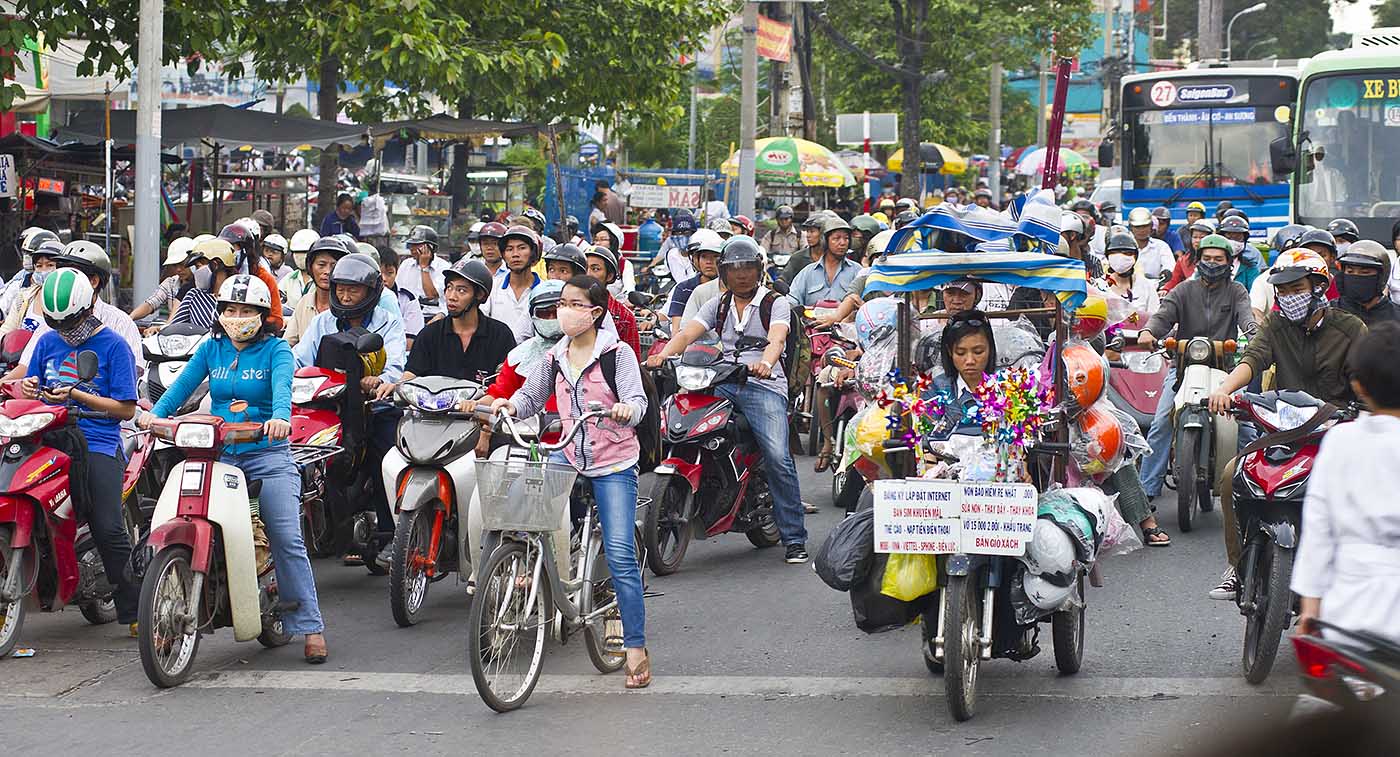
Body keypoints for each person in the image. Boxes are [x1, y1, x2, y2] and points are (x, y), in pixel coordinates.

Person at [141, 275, 329, 663]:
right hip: (220, 454)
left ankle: (310, 625)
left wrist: (279, 419)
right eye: (230, 310)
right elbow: (179, 390)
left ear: (263, 316)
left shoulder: (277, 350)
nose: (236, 317)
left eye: (246, 311)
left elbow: (282, 392)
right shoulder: (212, 348)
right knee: (185, 517)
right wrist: (154, 416)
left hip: (268, 454)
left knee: (284, 535)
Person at [490, 274, 651, 686]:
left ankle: (635, 647)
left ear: (596, 312)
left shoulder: (618, 355)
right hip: (568, 450)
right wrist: (507, 404)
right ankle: (527, 573)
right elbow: (531, 396)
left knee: (618, 555)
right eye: (562, 303)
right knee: (526, 518)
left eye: (574, 304)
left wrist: (624, 411)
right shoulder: (555, 356)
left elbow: (638, 402)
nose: (564, 311)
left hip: (614, 461)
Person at [1205, 249, 1367, 600]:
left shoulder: (1350, 328)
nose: (1289, 297)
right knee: (1233, 475)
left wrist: (1363, 406)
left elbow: (1365, 375)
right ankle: (1238, 565)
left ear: (1319, 287)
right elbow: (1253, 359)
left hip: (1336, 434)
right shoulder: (1276, 326)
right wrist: (1223, 390)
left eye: (1297, 288)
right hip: (1283, 432)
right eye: (1283, 290)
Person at [647, 236, 808, 565]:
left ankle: (794, 538)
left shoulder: (773, 302)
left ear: (759, 270)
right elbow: (688, 333)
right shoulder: (717, 304)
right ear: (724, 272)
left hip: (764, 384)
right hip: (720, 379)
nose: (742, 275)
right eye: (734, 269)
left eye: (748, 268)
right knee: (681, 421)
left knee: (777, 456)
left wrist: (765, 362)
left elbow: (777, 338)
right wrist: (662, 355)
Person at [22, 269, 139, 633]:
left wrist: (76, 395)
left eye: (69, 321)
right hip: (49, 436)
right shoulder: (46, 342)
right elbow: (37, 385)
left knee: (108, 527)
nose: (64, 329)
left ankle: (135, 609)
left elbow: (126, 409)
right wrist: (30, 387)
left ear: (88, 307)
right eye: (55, 323)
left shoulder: (114, 345)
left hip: (98, 441)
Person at [293, 253, 408, 566]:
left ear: (370, 292)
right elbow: (299, 358)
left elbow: (396, 364)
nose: (344, 295)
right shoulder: (322, 322)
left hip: (375, 408)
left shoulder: (388, 321)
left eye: (353, 290)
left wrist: (381, 381)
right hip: (326, 407)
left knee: (384, 459)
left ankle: (389, 535)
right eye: (340, 288)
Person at [1292, 321, 1400, 644]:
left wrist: (1310, 607)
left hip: (1347, 619)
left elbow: (1318, 528)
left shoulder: (1340, 441)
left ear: (1358, 386)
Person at [1135, 234, 1256, 517]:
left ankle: (1249, 487)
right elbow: (1162, 316)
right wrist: (1148, 332)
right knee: (1162, 421)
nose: (1212, 264)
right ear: (1198, 260)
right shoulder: (1182, 290)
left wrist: (1254, 335)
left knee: (1246, 427)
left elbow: (1246, 317)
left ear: (1229, 263)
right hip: (1182, 367)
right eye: (1207, 258)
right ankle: (1146, 490)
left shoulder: (1237, 290)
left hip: (1225, 370)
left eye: (1219, 259)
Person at [378, 258, 513, 402]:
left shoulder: (500, 335)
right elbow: (412, 373)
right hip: (432, 417)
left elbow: (508, 384)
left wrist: (482, 403)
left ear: (480, 295)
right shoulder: (430, 334)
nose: (451, 297)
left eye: (461, 290)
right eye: (449, 287)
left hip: (482, 418)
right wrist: (397, 386)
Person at [7, 241, 141, 383]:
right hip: (50, 404)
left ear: (93, 281)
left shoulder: (120, 324)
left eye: (72, 275)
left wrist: (79, 395)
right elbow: (26, 369)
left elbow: (132, 378)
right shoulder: (50, 324)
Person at [469, 280, 566, 456]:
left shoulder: (587, 352)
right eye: (544, 313)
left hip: (573, 444)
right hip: (523, 442)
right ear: (532, 316)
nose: (551, 318)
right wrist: (473, 406)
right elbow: (499, 395)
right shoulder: (519, 356)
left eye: (556, 311)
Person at [284, 236, 352, 346]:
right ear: (310, 267)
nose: (327, 271)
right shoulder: (304, 302)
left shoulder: (348, 304)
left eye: (334, 266)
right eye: (321, 265)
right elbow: (287, 343)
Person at [218, 220, 285, 331]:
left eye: (232, 247)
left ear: (245, 250)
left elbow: (277, 320)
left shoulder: (264, 278)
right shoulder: (219, 276)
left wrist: (249, 325)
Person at [482, 225, 542, 343]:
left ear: (533, 253)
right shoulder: (492, 286)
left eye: (522, 248)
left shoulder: (543, 291)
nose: (515, 254)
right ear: (504, 255)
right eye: (509, 249)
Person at [583, 243, 641, 356]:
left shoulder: (624, 317)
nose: (588, 274)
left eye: (595, 269)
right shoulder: (566, 306)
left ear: (609, 276)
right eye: (584, 268)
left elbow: (631, 364)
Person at [790, 216, 861, 306]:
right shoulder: (808, 273)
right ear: (824, 241)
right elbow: (792, 299)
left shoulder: (857, 271)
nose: (842, 243)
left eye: (846, 238)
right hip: (812, 320)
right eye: (836, 238)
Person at [665, 228, 724, 333]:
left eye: (715, 257)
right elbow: (677, 330)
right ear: (695, 260)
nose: (709, 262)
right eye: (704, 257)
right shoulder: (683, 288)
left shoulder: (731, 289)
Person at [169, 238, 235, 330]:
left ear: (215, 265)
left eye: (198, 267)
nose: (197, 272)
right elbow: (174, 328)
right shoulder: (194, 296)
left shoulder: (237, 297)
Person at [0, 239, 62, 337]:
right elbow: (6, 330)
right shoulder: (24, 298)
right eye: (39, 266)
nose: (43, 271)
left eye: (50, 265)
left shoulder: (74, 300)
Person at [130, 237, 197, 323]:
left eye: (182, 264)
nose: (178, 269)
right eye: (175, 265)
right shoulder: (170, 283)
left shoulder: (203, 286)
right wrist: (130, 318)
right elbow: (151, 303)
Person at [1335, 240, 1400, 325]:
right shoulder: (1329, 313)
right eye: (1350, 271)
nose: (1356, 276)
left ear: (1381, 276)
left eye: (1365, 272)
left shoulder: (1396, 317)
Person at [1103, 230, 1160, 317]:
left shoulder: (1146, 286)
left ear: (1135, 257)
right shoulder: (1099, 286)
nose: (1121, 258)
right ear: (1107, 256)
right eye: (1114, 253)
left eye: (1127, 253)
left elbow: (1155, 318)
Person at [398, 225, 449, 320]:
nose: (412, 248)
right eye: (411, 245)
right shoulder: (406, 265)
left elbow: (431, 295)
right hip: (408, 316)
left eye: (416, 245)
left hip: (434, 316)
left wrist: (424, 267)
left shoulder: (444, 267)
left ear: (430, 247)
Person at [378, 248, 426, 341]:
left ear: (396, 272)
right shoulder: (361, 297)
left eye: (390, 273)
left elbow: (410, 340)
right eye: (379, 273)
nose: (384, 278)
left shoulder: (408, 299)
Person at [1126, 207, 1175, 284]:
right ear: (1131, 227)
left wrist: (1166, 273)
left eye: (1145, 226)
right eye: (1137, 227)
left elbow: (1170, 266)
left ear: (1151, 226)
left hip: (1156, 289)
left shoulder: (1161, 246)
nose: (1142, 230)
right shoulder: (1124, 248)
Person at [1163, 219, 1213, 292]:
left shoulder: (1217, 259)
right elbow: (1174, 280)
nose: (1197, 241)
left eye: (1202, 237)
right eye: (1195, 237)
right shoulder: (1184, 260)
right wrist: (1165, 289)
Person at [1216, 215, 1263, 291]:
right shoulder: (1211, 264)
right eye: (1229, 237)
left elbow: (1255, 293)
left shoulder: (1250, 268)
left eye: (1238, 238)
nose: (1233, 242)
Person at [653, 209, 696, 283]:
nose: (682, 236)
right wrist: (650, 267)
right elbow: (660, 256)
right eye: (679, 233)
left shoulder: (698, 250)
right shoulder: (671, 253)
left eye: (686, 233)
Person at [280, 229, 319, 307]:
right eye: (297, 253)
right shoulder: (289, 278)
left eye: (304, 253)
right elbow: (278, 299)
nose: (300, 257)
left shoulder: (321, 279)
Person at [782, 215, 826, 284]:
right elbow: (783, 280)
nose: (808, 235)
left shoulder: (833, 258)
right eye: (807, 231)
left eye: (812, 231)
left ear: (823, 233)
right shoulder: (797, 258)